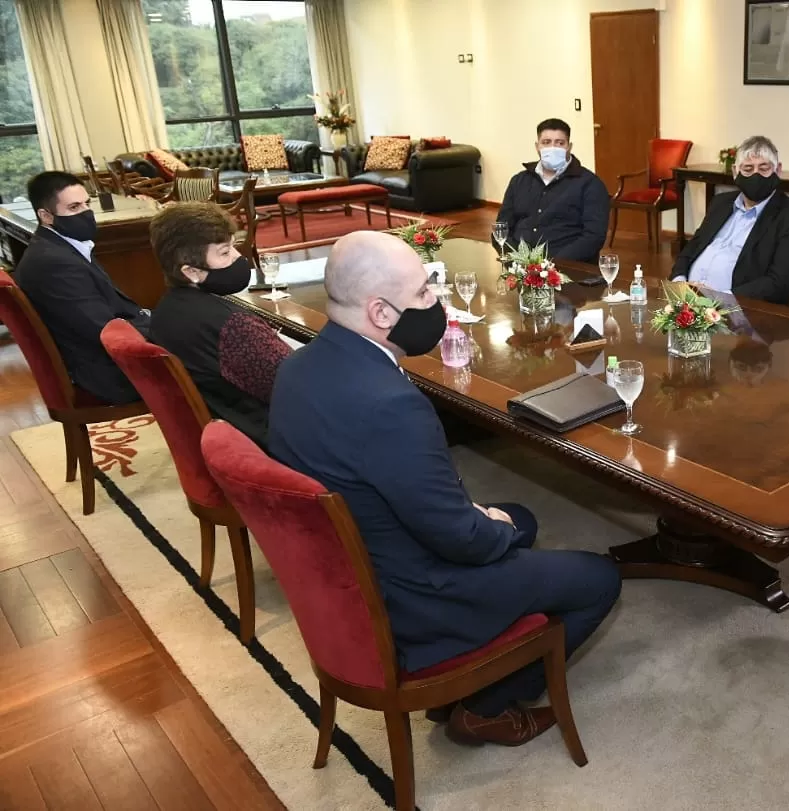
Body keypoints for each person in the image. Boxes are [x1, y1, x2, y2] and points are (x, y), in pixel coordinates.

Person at [269, 231, 621, 747]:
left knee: (522, 517)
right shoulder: (390, 403)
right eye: (424, 294)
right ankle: (483, 705)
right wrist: (486, 526)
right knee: (598, 577)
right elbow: (459, 540)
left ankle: (491, 650)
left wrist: (484, 518)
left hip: (359, 557)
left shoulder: (297, 367)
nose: (436, 302)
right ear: (382, 314)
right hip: (414, 592)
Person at [148, 203, 291, 448]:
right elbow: (293, 388)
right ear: (191, 271)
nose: (238, 257)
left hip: (226, 428)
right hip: (270, 437)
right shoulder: (232, 326)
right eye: (224, 252)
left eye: (234, 246)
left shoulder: (164, 311)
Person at [12, 171, 150, 404]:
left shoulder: (58, 247)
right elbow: (104, 331)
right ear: (46, 215)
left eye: (87, 204)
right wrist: (163, 325)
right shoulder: (54, 263)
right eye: (74, 207)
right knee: (206, 356)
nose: (86, 213)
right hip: (107, 374)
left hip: (101, 358)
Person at [669, 135, 789, 306]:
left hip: (738, 313)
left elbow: (779, 283)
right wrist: (679, 282)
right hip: (686, 302)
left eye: (764, 168)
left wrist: (718, 298)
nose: (755, 175)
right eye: (747, 169)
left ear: (778, 170)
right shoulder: (720, 203)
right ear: (735, 172)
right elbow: (692, 247)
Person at [495, 117, 609, 262]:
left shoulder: (590, 184)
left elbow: (594, 237)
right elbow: (500, 229)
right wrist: (517, 259)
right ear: (537, 146)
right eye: (546, 143)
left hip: (565, 269)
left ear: (569, 147)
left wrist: (550, 266)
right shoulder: (519, 181)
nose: (552, 148)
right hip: (518, 266)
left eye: (559, 143)